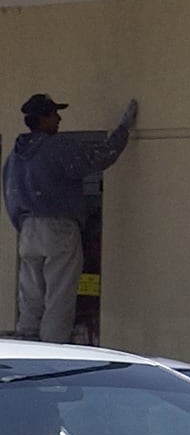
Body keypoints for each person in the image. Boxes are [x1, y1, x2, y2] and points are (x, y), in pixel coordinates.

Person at [3, 93, 136, 343]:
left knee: (30, 299)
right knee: (60, 296)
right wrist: (123, 130)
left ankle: (29, 351)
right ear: (42, 119)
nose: (59, 118)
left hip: (27, 231)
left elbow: (10, 196)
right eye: (54, 114)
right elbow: (100, 157)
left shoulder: (16, 156)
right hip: (59, 228)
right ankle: (56, 355)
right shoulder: (57, 147)